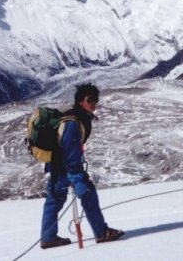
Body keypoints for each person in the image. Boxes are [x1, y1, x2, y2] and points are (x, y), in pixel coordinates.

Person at [40, 83, 124, 249]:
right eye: (90, 100)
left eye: (96, 100)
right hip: (65, 168)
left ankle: (48, 237)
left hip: (57, 166)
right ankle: (101, 232)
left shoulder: (73, 117)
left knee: (54, 201)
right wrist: (76, 177)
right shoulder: (74, 122)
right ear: (80, 101)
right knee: (88, 194)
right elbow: (71, 152)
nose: (94, 103)